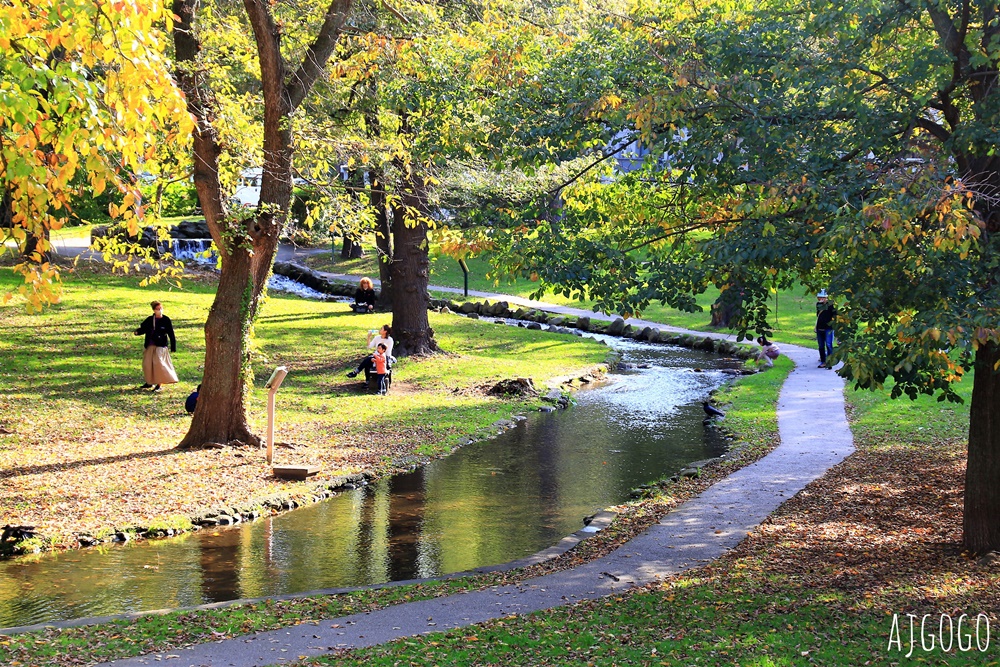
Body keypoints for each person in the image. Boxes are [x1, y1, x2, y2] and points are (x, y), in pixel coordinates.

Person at [134, 301, 178, 392]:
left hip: (160, 345)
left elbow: (171, 333)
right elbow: (144, 328)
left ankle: (159, 384)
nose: (160, 310)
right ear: (154, 310)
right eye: (158, 309)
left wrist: (173, 346)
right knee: (147, 364)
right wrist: (137, 332)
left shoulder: (166, 320)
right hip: (150, 345)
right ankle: (149, 382)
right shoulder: (150, 319)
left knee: (158, 364)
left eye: (161, 308)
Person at [815, 290, 836, 368]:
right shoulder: (818, 304)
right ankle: (823, 361)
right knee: (821, 346)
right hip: (820, 328)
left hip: (828, 328)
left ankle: (829, 361)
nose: (821, 299)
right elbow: (818, 315)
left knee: (829, 344)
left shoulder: (831, 305)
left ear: (826, 297)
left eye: (823, 297)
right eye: (820, 297)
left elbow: (834, 314)